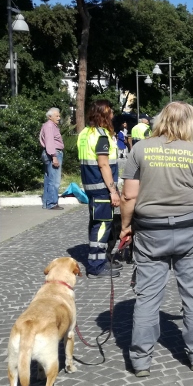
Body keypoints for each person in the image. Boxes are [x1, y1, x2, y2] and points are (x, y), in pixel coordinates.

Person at [119, 102, 193, 377]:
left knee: (146, 297)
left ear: (161, 120)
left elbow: (129, 196)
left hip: (149, 232)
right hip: (191, 232)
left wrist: (125, 227)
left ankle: (141, 361)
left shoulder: (140, 149)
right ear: (190, 123)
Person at [77, 100, 121, 278]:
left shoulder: (85, 133)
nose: (112, 116)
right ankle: (96, 266)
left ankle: (98, 260)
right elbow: (103, 165)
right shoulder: (102, 136)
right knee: (102, 226)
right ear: (104, 115)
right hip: (102, 187)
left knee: (96, 223)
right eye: (110, 113)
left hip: (90, 186)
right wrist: (113, 191)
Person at [39, 107, 64, 210]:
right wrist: (54, 157)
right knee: (54, 180)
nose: (59, 118)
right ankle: (52, 203)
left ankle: (47, 203)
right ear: (50, 117)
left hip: (50, 153)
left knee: (49, 179)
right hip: (53, 153)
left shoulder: (49, 125)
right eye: (56, 116)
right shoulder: (49, 126)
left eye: (59, 115)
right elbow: (49, 142)